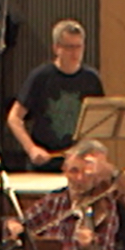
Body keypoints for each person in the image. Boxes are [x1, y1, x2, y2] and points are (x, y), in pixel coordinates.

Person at [9, 17, 103, 169]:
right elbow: (14, 118)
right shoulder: (41, 77)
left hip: (77, 164)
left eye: (79, 47)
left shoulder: (91, 79)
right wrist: (31, 149)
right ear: (56, 48)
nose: (75, 53)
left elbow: (97, 123)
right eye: (69, 47)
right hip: (44, 163)